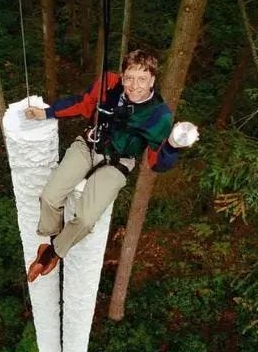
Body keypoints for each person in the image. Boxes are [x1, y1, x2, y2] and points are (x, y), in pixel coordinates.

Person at [24, 49, 180, 283]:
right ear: (122, 75)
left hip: (118, 163)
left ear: (153, 80)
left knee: (86, 219)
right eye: (129, 77)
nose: (134, 86)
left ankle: (54, 252)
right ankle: (52, 236)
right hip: (88, 144)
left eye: (142, 79)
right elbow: (83, 104)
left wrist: (172, 146)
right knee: (49, 197)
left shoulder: (159, 115)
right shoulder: (109, 84)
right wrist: (48, 112)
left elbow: (156, 162)